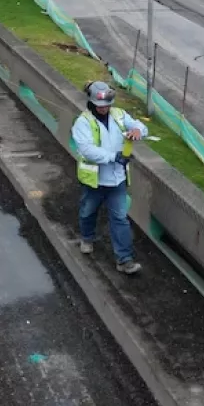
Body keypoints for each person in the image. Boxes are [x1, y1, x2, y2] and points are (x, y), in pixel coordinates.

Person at [71, 81, 146, 274]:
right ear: (91, 103)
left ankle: (124, 260)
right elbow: (87, 150)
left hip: (117, 180)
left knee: (120, 218)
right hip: (94, 181)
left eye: (107, 106)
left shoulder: (119, 115)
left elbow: (138, 126)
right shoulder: (83, 122)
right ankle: (87, 237)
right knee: (88, 211)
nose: (104, 109)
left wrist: (138, 130)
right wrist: (113, 157)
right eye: (100, 106)